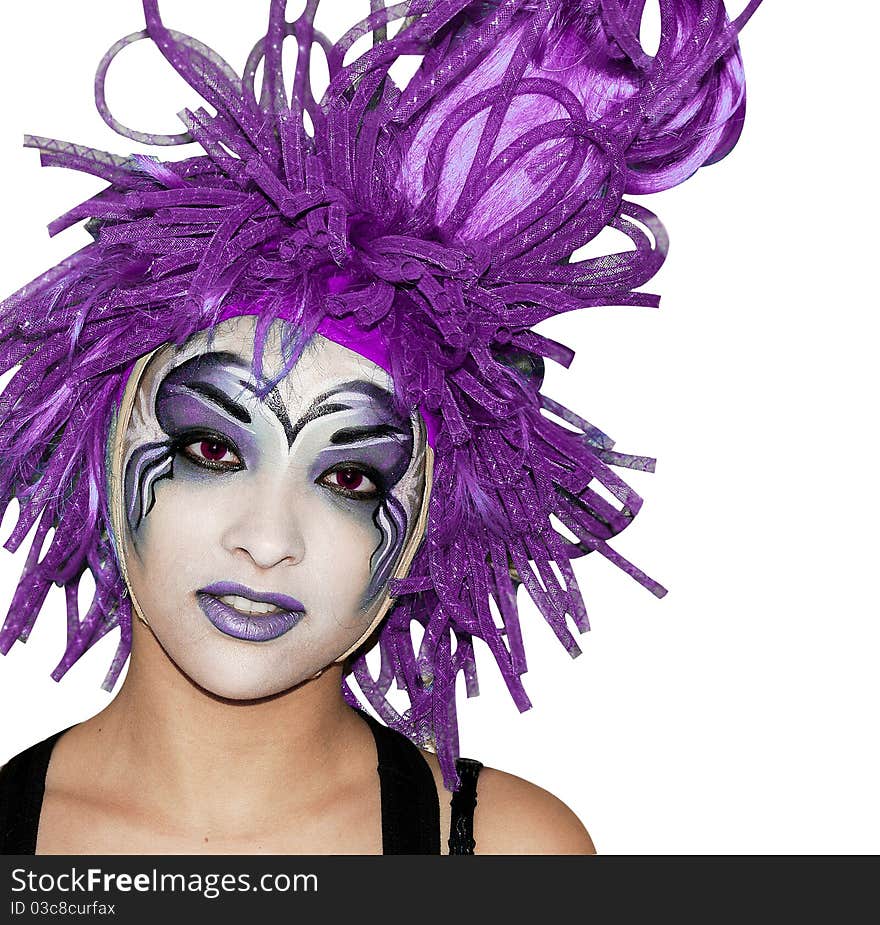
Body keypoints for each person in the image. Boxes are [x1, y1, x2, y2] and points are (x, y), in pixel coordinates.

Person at [0, 0, 760, 853]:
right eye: (211, 449)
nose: (266, 538)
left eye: (350, 479)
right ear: (100, 442)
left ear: (427, 523)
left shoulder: (509, 852)